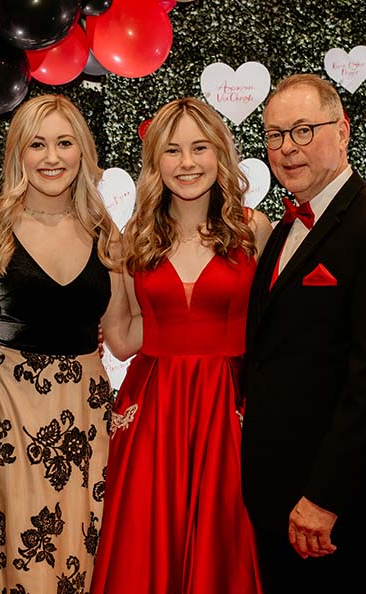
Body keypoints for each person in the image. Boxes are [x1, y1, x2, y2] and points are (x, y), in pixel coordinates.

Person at [242, 73, 366, 594]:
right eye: (275, 134)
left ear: (342, 131)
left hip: (337, 507)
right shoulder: (283, 228)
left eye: (303, 130)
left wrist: (324, 498)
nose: (287, 148)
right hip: (280, 494)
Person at [89, 97, 272, 594]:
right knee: (147, 545)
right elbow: (124, 341)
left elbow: (272, 332)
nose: (187, 163)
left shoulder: (254, 230)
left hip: (229, 407)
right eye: (172, 151)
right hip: (154, 408)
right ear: (155, 161)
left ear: (221, 155)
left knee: (227, 541)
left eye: (199, 148)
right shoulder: (135, 238)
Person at [0, 94, 140, 594]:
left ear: (82, 152)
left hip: (85, 413)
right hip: (8, 410)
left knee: (84, 550)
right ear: (18, 153)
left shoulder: (109, 237)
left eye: (65, 143)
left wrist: (191, 310)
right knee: (18, 553)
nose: (52, 157)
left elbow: (124, 339)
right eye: (37, 144)